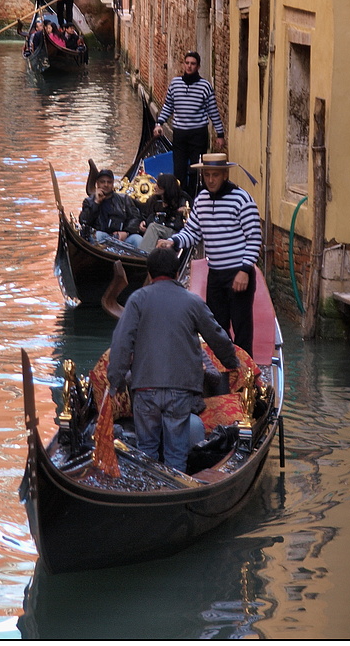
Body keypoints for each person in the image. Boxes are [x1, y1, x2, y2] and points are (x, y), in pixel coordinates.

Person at [107, 247, 239, 473]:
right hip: (180, 390)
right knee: (176, 454)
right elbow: (217, 337)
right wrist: (232, 362)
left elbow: (121, 344)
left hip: (145, 389)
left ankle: (147, 494)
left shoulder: (137, 300)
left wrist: (115, 381)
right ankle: (174, 492)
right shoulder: (192, 302)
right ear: (177, 273)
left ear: (149, 273)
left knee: (146, 451)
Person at [157, 154, 262, 357]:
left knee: (242, 329)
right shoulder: (202, 199)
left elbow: (255, 238)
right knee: (217, 329)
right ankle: (225, 370)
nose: (211, 180)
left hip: (237, 272)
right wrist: (174, 241)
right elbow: (193, 231)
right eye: (207, 175)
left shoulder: (242, 199)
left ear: (225, 174)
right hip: (215, 274)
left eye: (215, 175)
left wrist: (244, 270)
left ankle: (247, 375)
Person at [153, 50, 225, 197]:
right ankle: (180, 199)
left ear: (198, 66)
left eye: (193, 64)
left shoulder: (205, 86)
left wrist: (220, 134)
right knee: (179, 170)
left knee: (195, 170)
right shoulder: (175, 84)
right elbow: (168, 106)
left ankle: (193, 199)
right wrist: (159, 123)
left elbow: (213, 111)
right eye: (187, 63)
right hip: (179, 133)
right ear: (183, 64)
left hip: (198, 134)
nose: (189, 66)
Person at [125, 173, 191, 253]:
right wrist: (143, 222)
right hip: (158, 230)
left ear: (165, 187)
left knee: (153, 227)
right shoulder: (154, 200)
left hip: (176, 233)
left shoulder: (182, 199)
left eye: (158, 185)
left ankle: (143, 256)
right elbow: (146, 215)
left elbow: (181, 223)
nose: (155, 187)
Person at [79, 169, 142, 246]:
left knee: (138, 239)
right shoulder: (89, 201)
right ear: (97, 183)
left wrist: (126, 232)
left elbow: (135, 218)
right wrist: (96, 202)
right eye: (102, 182)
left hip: (122, 237)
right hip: (102, 237)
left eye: (109, 182)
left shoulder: (124, 199)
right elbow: (84, 221)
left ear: (112, 184)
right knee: (98, 235)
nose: (106, 185)